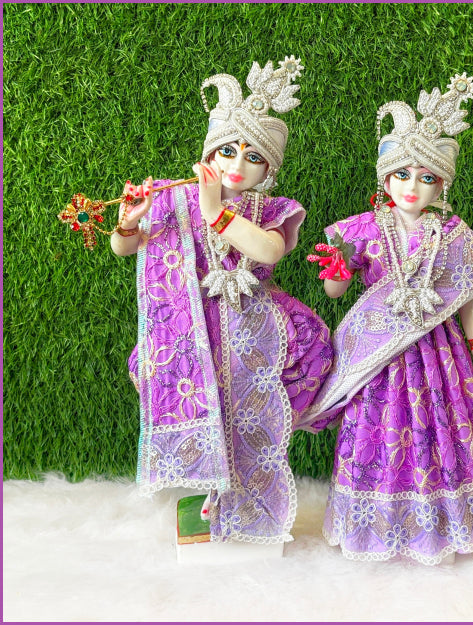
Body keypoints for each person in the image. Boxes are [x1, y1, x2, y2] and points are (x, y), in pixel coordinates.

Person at [111, 57, 333, 546]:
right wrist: (129, 221)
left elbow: (269, 250)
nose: (236, 165)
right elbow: (127, 248)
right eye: (227, 151)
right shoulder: (174, 198)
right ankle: (214, 494)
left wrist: (214, 210)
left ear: (269, 169)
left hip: (255, 328)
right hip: (193, 327)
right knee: (208, 405)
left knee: (248, 419)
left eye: (253, 157)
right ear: (209, 151)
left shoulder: (271, 209)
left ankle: (248, 508)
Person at [304, 73, 473, 564]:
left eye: (426, 177)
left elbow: (467, 296)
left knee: (439, 433)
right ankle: (378, 528)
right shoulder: (357, 229)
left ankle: (439, 526)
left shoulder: (452, 233)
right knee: (378, 433)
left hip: (438, 355)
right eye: (401, 175)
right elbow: (335, 291)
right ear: (385, 179)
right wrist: (337, 269)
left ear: (442, 183)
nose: (412, 187)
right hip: (378, 359)